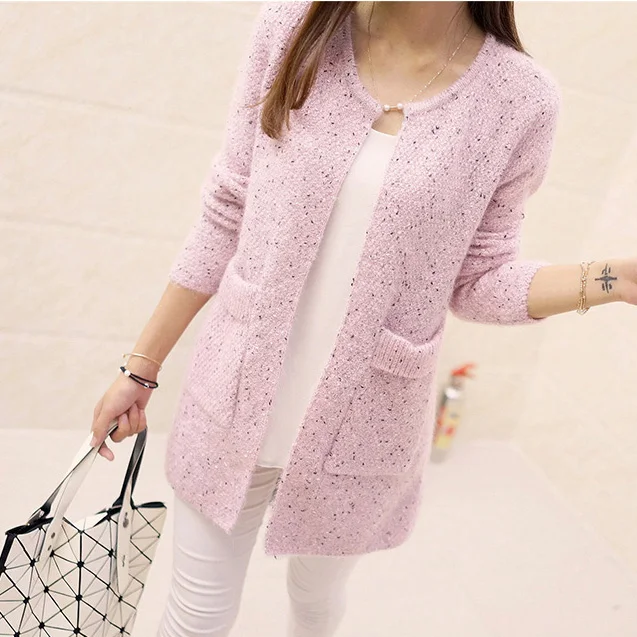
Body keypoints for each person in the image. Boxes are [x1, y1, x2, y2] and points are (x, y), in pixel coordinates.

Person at [90, 2, 637, 636]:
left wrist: (614, 280)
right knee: (195, 617)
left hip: (364, 432)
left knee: (315, 603)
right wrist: (141, 367)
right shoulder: (293, 28)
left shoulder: (521, 100)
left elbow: (480, 279)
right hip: (232, 399)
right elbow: (227, 210)